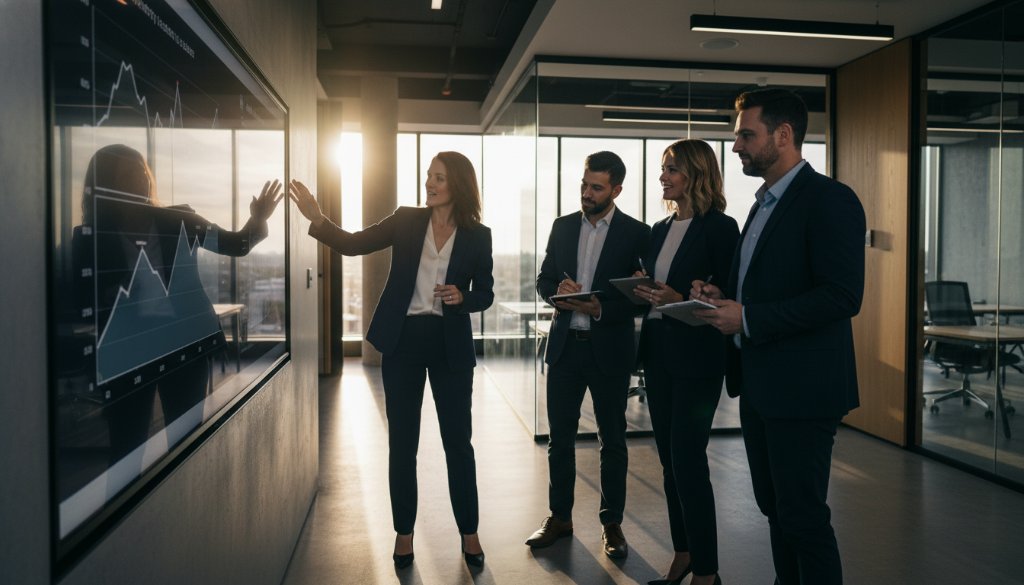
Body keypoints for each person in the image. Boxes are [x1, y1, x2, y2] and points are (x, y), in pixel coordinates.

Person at [691, 88, 865, 585]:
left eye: (747, 135)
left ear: (784, 136)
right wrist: (719, 292)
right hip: (761, 385)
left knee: (803, 517)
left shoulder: (830, 200)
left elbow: (841, 296)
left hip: (804, 390)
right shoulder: (762, 204)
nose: (737, 146)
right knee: (774, 510)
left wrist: (747, 318)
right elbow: (767, 283)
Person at [288, 151, 493, 570]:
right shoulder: (406, 219)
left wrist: (463, 297)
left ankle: (469, 532)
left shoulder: (478, 234)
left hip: (450, 343)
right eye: (428, 176)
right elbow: (351, 244)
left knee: (458, 442)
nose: (429, 183)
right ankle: (404, 533)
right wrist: (318, 218)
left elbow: (486, 292)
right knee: (403, 443)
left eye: (438, 177)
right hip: (404, 341)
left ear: (458, 184)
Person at [74, 144, 282, 467]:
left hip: (182, 347)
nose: (141, 180)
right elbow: (82, 302)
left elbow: (236, 245)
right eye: (129, 174)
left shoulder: (180, 220)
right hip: (129, 353)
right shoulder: (89, 237)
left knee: (186, 447)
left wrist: (258, 220)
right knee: (126, 455)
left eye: (143, 172)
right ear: (107, 183)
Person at [527, 151, 651, 559]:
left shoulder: (637, 233)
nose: (587, 193)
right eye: (584, 185)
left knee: (612, 441)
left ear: (616, 189)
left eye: (596, 187)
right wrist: (556, 292)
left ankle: (611, 524)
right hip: (564, 349)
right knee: (558, 441)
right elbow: (544, 278)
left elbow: (643, 296)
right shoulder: (563, 227)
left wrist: (602, 309)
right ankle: (559, 517)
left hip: (609, 351)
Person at [633, 140, 738, 585]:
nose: (663, 176)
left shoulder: (721, 227)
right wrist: (644, 287)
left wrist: (678, 297)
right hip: (658, 353)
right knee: (669, 463)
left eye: (672, 168)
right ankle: (683, 553)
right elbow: (663, 289)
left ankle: (708, 572)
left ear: (695, 173)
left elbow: (727, 298)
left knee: (688, 460)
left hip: (698, 358)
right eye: (663, 168)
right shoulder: (659, 228)